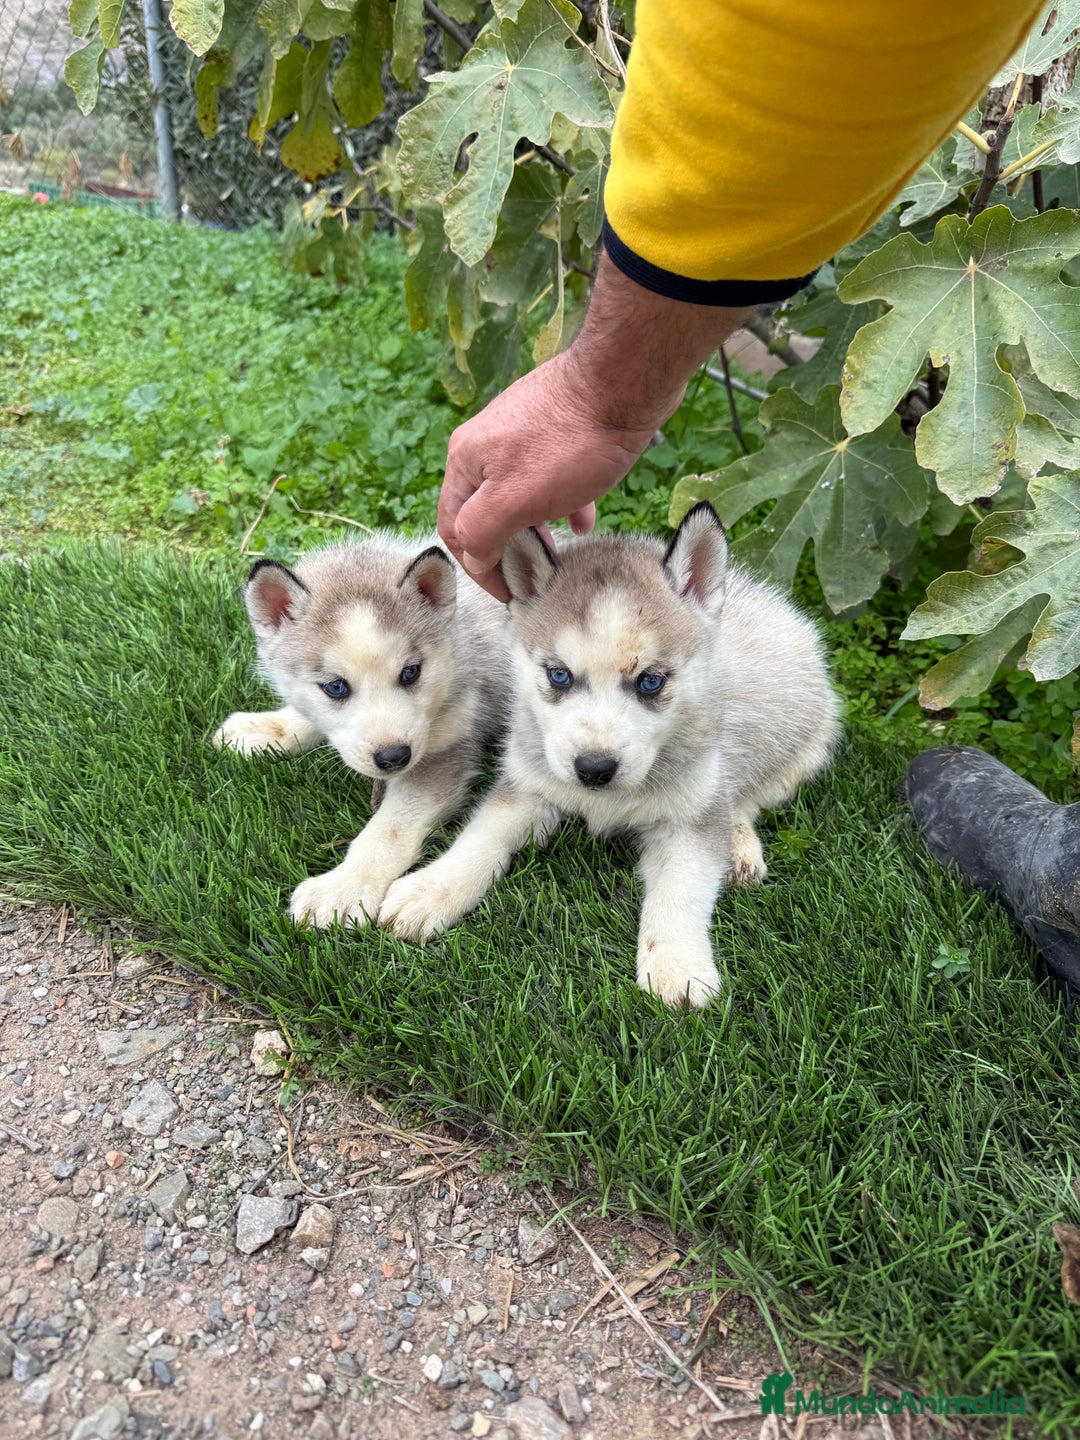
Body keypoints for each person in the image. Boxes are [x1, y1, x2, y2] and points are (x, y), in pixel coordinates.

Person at [436, 0, 1079, 1005]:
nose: (595, 738)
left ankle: (765, 805)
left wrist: (685, 905)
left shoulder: (695, 657)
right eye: (560, 680)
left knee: (731, 775)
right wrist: (448, 873)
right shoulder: (550, 674)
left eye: (647, 684)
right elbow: (520, 792)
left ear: (700, 591)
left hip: (762, 747)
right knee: (533, 790)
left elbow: (795, 36)